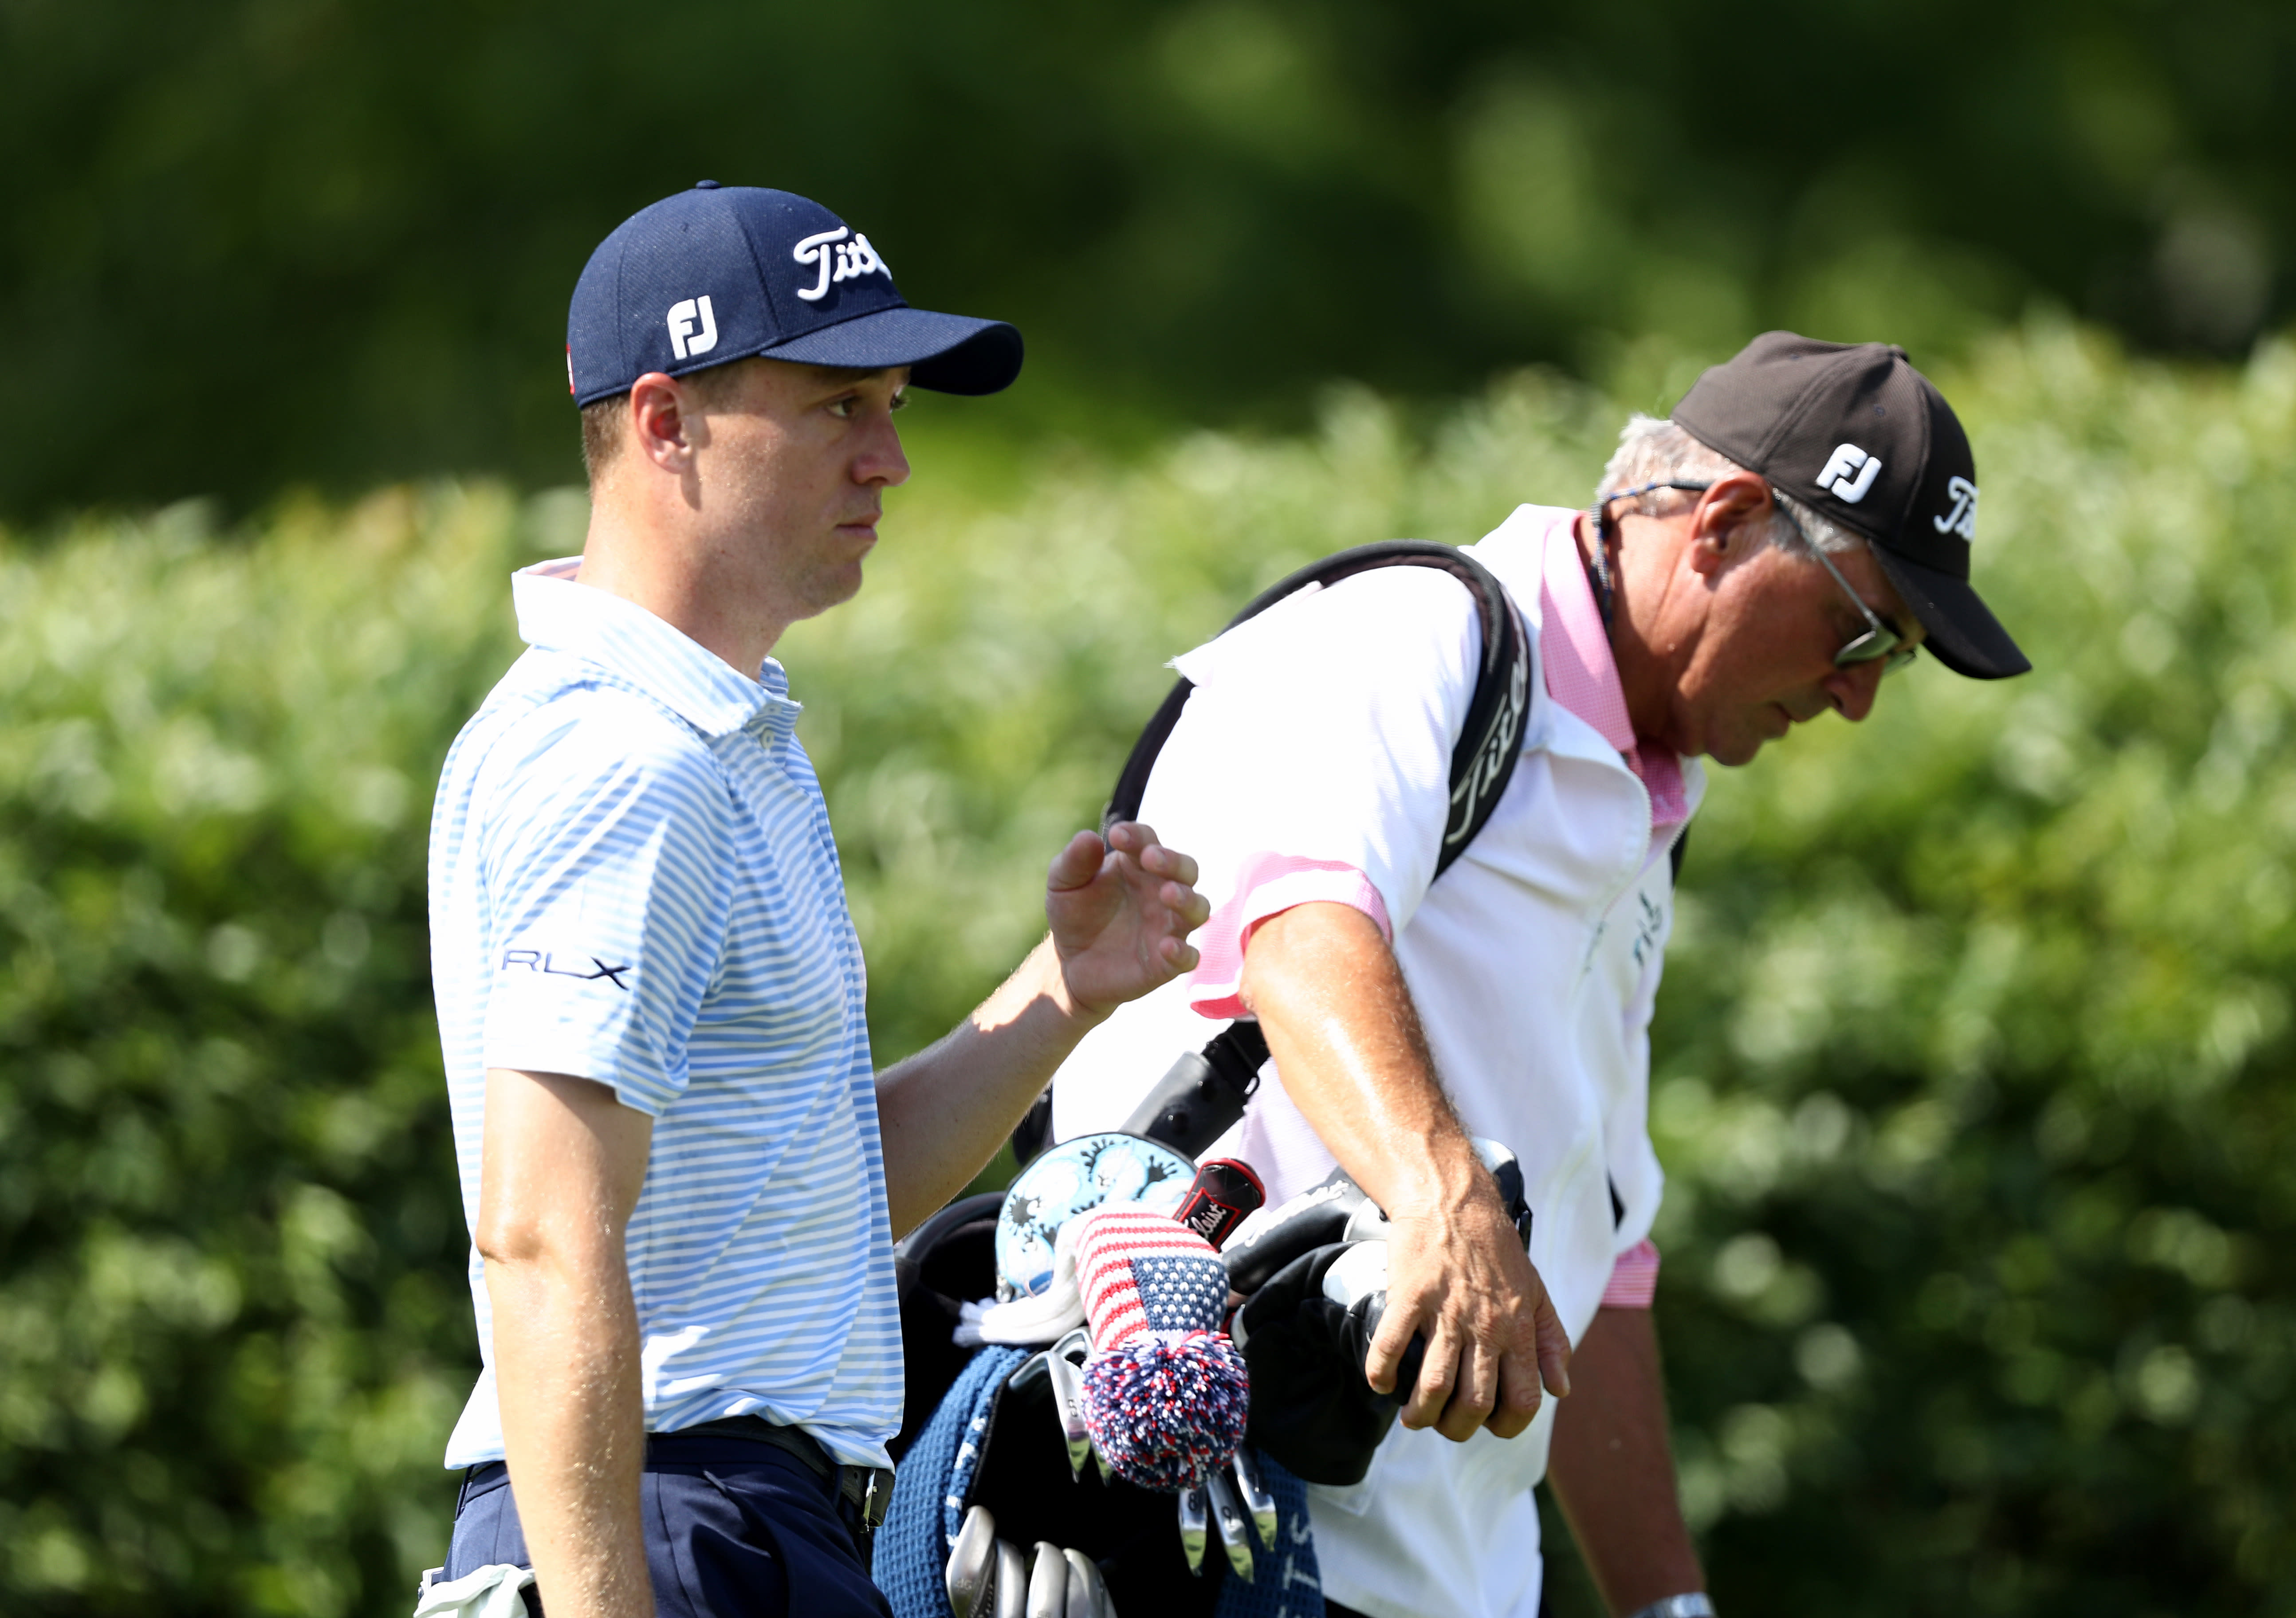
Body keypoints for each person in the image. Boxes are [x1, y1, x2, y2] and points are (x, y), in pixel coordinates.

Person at [1045, 333, 2030, 1618]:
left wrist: (1668, 1606)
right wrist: (1444, 1193)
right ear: (1724, 524)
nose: (1857, 701)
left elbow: (1599, 1252)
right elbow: (1298, 934)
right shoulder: (1412, 635)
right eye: (1865, 635)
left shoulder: (1646, 804)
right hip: (1205, 1543)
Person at [422, 182, 1211, 1618]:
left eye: (896, 406)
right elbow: (540, 1230)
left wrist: (1059, 992)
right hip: (673, 1526)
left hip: (741, 1521)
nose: (894, 461)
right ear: (664, 424)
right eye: (842, 409)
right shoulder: (624, 753)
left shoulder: (713, 736)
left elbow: (823, 1201)